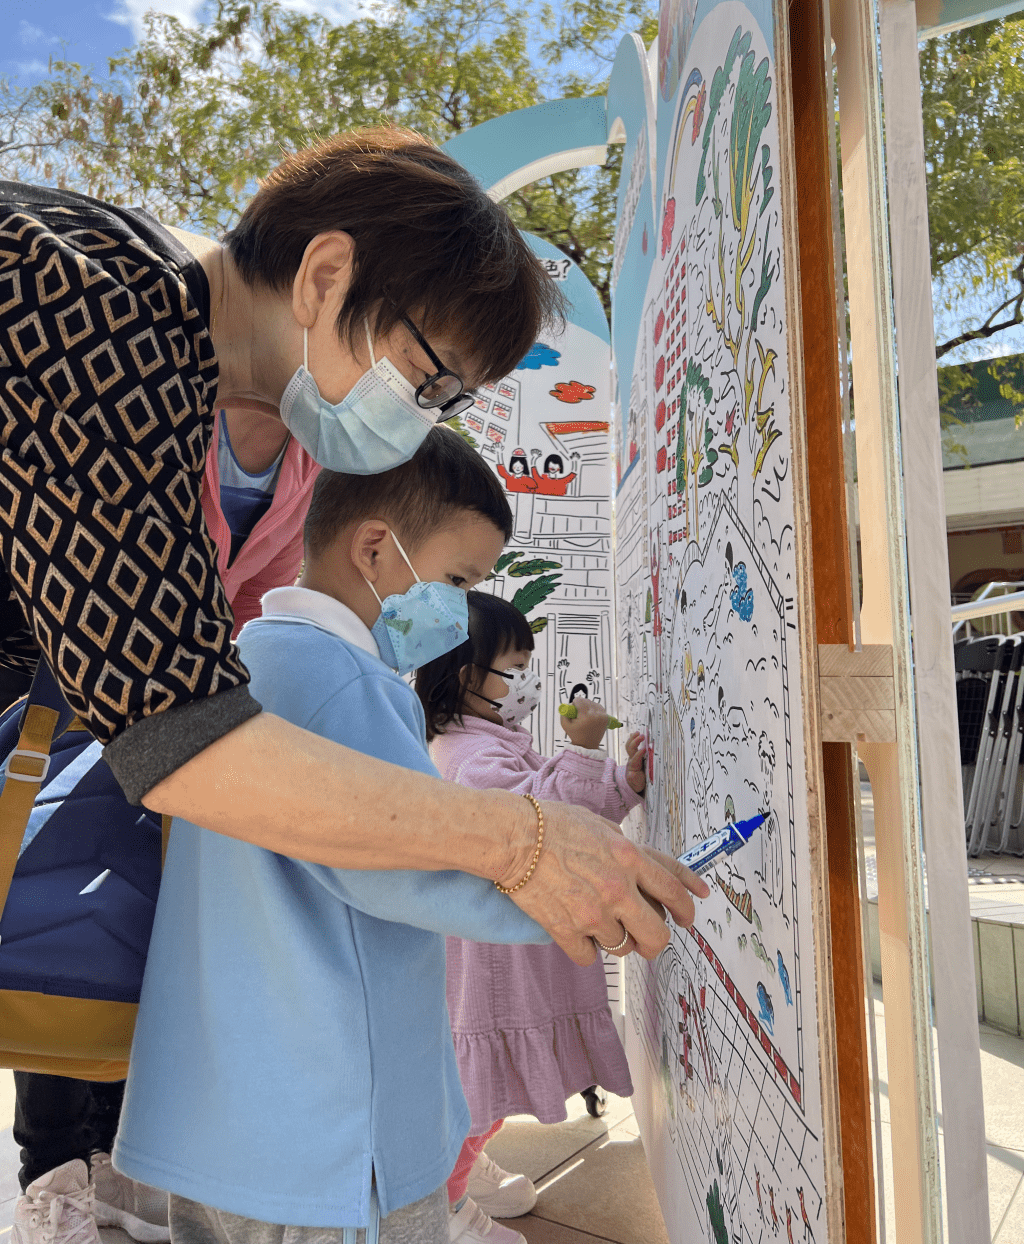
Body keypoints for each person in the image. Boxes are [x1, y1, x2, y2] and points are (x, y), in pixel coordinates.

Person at [0, 132, 698, 970]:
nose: (421, 422)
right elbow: (177, 736)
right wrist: (521, 842)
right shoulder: (101, 311)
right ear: (325, 277)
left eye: (451, 404)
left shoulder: (167, 359)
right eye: (427, 379)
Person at [111, 428, 555, 1244]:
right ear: (377, 550)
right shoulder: (342, 677)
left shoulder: (249, 657)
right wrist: (566, 897)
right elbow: (400, 868)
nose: (459, 608)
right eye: (456, 579)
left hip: (230, 1119)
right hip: (332, 1131)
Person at [11, 408, 321, 1243]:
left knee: (135, 932)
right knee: (59, 922)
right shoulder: (171, 390)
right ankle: (49, 1172)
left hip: (186, 720)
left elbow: (254, 590)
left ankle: (114, 1160)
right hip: (80, 683)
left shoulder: (306, 458)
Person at [415, 593, 686, 1243]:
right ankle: (440, 1210)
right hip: (490, 966)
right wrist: (584, 752)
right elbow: (538, 825)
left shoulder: (489, 738)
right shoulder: (465, 755)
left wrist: (624, 785)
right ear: (465, 678)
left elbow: (572, 822)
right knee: (476, 1093)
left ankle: (462, 1172)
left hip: (505, 953)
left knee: (486, 1092)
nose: (530, 681)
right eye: (515, 666)